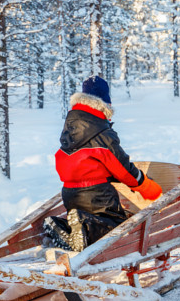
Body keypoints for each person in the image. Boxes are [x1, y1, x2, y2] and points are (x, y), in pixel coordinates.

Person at [44, 76, 163, 251]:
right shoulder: (102, 132)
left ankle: (61, 225)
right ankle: (83, 225)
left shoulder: (71, 127)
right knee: (117, 228)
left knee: (91, 223)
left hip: (70, 194)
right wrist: (145, 186)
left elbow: (77, 162)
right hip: (97, 196)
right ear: (105, 103)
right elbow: (124, 169)